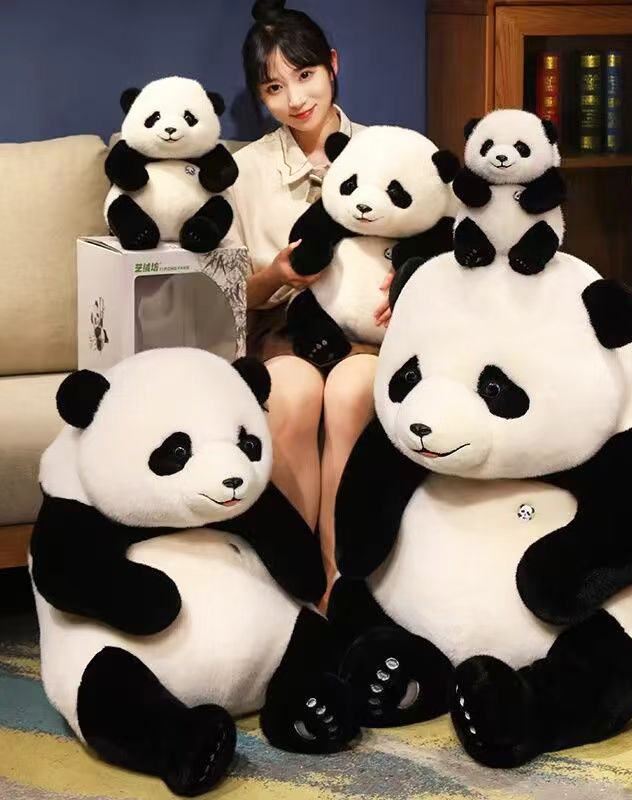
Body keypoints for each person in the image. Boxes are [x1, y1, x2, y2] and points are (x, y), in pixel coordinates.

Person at [226, 0, 392, 604]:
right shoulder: (242, 172)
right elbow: (229, 296)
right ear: (259, 95)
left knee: (351, 391)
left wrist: (407, 290)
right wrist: (276, 273)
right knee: (292, 393)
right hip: (283, 335)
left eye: (305, 75)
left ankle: (341, 582)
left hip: (369, 337)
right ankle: (295, 584)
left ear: (332, 66)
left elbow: (437, 254)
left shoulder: (389, 152)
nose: (296, 99)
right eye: (275, 87)